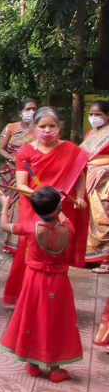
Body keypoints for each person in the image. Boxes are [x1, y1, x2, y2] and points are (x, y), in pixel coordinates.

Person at [3, 107, 89, 306]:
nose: (47, 130)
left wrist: (81, 196)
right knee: (30, 248)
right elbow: (22, 184)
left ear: (60, 127)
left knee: (59, 252)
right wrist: (44, 197)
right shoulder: (25, 151)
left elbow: (80, 176)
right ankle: (25, 296)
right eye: (42, 126)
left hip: (62, 207)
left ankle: (54, 298)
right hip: (35, 205)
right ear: (34, 128)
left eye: (52, 125)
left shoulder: (72, 149)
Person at [0, 187, 82, 382]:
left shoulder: (28, 227)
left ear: (36, 210)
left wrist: (5, 206)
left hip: (33, 281)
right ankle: (55, 369)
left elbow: (4, 225)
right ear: (58, 206)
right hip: (59, 282)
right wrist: (56, 200)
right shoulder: (68, 227)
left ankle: (33, 363)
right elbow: (61, 213)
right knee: (56, 321)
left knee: (33, 317)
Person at [0, 97, 40, 253]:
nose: (31, 112)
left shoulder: (40, 128)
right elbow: (1, 149)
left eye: (34, 109)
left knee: (27, 205)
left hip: (30, 172)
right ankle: (10, 242)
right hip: (10, 170)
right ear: (20, 112)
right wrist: (14, 158)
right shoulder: (11, 127)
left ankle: (26, 241)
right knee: (9, 204)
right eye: (28, 109)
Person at [80, 100, 109, 272]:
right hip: (89, 180)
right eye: (91, 114)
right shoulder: (90, 134)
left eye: (98, 114)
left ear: (107, 116)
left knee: (103, 217)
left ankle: (106, 260)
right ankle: (93, 256)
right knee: (89, 218)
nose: (93, 117)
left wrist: (99, 165)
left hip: (105, 181)